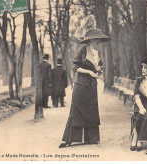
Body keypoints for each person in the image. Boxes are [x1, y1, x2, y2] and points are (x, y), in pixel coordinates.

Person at [59, 15, 110, 148]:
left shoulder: (97, 53)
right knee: (76, 110)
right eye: (96, 40)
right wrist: (89, 72)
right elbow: (75, 67)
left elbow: (101, 66)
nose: (97, 42)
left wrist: (100, 70)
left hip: (92, 86)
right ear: (90, 40)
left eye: (98, 40)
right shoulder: (82, 51)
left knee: (92, 110)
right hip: (81, 85)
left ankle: (91, 138)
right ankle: (68, 139)